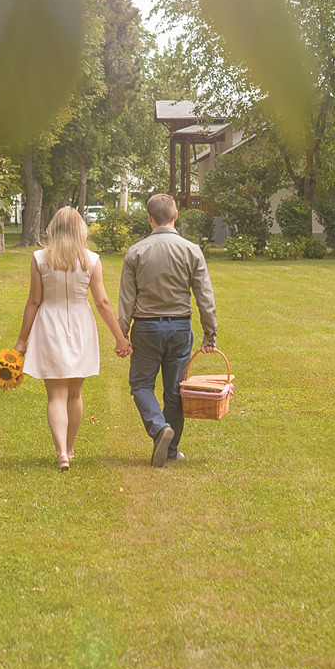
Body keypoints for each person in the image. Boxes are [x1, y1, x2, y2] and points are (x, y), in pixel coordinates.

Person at [16, 206, 132, 470]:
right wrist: (120, 338)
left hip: (49, 324)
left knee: (55, 395)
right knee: (74, 395)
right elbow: (102, 302)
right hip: (80, 324)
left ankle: (61, 454)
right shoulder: (91, 259)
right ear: (81, 229)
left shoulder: (40, 258)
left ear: (53, 228)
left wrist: (22, 341)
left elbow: (34, 301)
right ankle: (70, 448)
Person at [118, 194, 218, 468]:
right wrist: (210, 334)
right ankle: (171, 449)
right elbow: (204, 297)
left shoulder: (135, 252)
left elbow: (127, 299)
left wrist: (122, 334)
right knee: (174, 391)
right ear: (176, 216)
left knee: (140, 385)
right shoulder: (191, 250)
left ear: (149, 218)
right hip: (179, 328)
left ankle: (159, 428)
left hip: (146, 328)